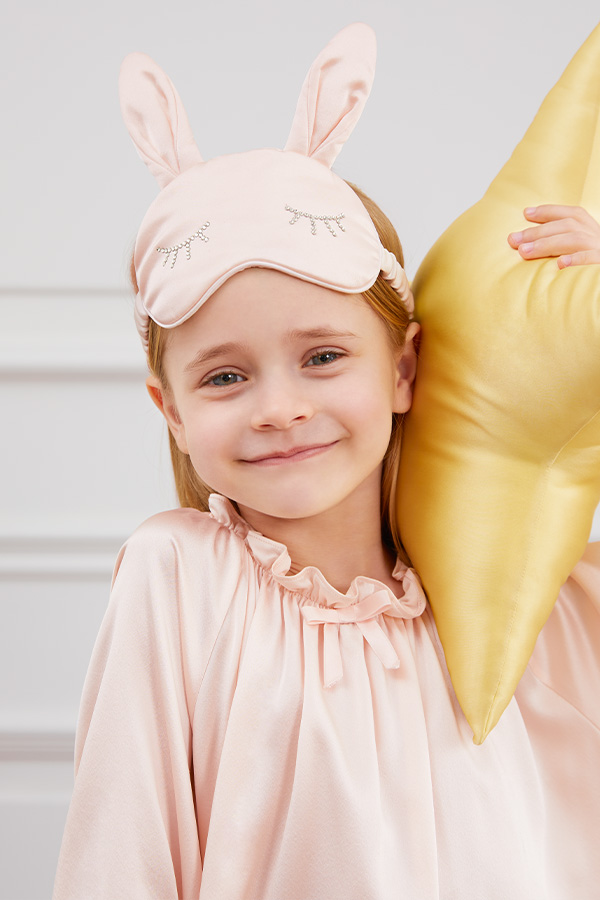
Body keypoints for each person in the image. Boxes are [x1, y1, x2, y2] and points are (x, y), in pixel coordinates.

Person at [53, 24, 600, 900]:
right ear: (173, 413)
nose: (280, 408)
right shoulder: (181, 580)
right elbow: (121, 861)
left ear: (403, 370)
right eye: (225, 376)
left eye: (323, 357)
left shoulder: (532, 608)